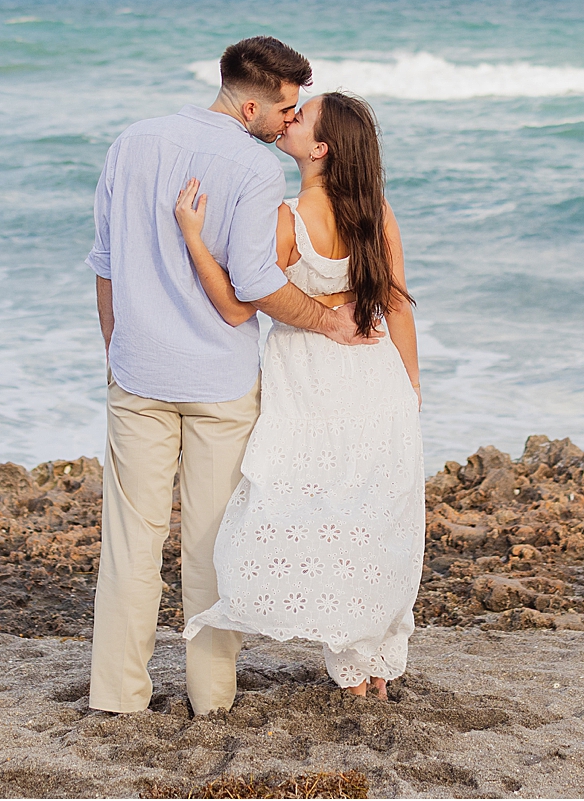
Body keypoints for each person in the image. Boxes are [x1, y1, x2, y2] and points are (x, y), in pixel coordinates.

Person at [86, 36, 379, 718]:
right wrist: (327, 321)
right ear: (251, 106)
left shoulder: (132, 142)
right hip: (219, 382)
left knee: (129, 543)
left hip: (138, 373)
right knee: (213, 546)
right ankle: (212, 698)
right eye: (286, 109)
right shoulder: (252, 168)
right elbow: (254, 284)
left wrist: (114, 347)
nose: (289, 121)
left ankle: (118, 699)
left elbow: (105, 263)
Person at [173, 90, 423, 699]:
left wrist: (194, 239)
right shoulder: (376, 212)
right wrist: (411, 389)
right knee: (372, 522)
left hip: (311, 386)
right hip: (377, 378)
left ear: (320, 149)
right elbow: (397, 306)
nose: (290, 117)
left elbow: (238, 306)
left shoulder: (287, 219)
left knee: (321, 518)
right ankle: (372, 667)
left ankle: (353, 663)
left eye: (302, 116)